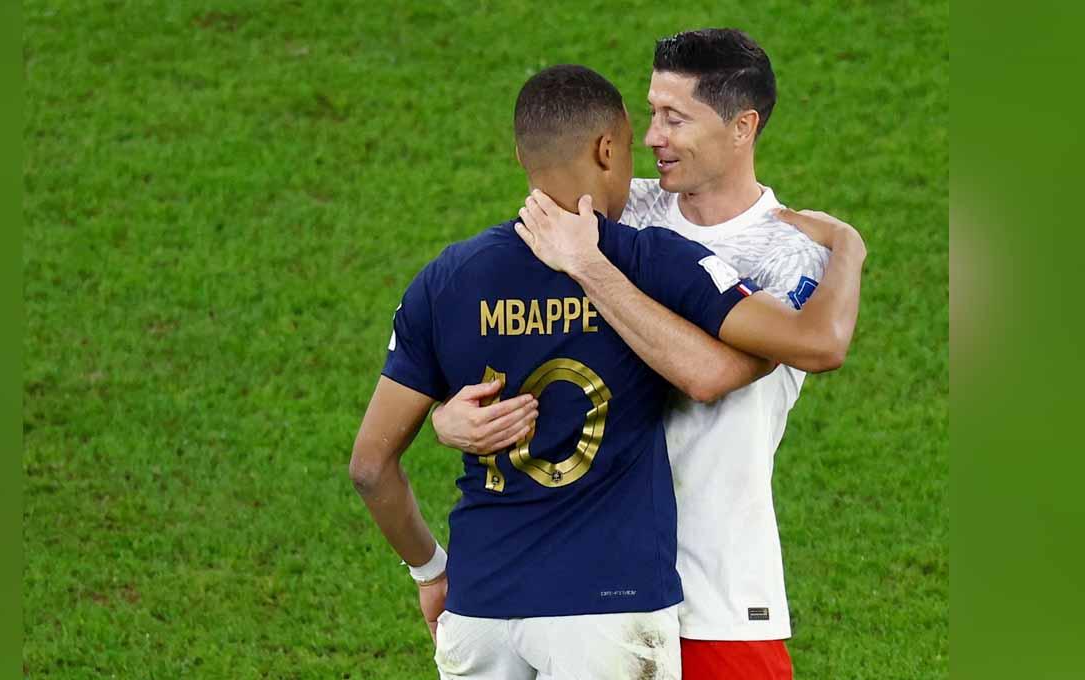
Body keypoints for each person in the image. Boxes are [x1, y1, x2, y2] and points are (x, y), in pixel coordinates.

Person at [350, 63, 865, 680]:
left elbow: (370, 464)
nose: (653, 139)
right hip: (612, 602)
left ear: (742, 127)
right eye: (647, 118)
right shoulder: (645, 245)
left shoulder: (449, 278)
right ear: (607, 149)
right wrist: (444, 419)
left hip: (503, 599)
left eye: (674, 118)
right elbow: (711, 373)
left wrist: (431, 568)